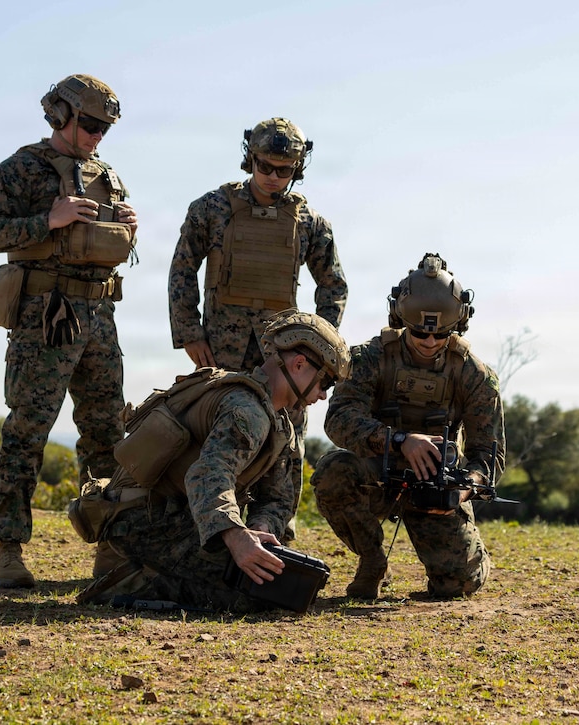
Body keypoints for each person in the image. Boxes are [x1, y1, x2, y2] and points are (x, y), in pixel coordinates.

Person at [0, 74, 139, 588]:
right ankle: (10, 550)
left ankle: (110, 547)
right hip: (45, 316)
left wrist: (127, 226)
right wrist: (49, 219)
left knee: (108, 434)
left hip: (99, 319)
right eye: (89, 124)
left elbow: (113, 244)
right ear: (60, 115)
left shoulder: (108, 176)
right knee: (28, 429)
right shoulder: (21, 168)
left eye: (104, 127)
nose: (97, 135)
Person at [75, 311, 350, 612]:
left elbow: (277, 498)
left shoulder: (278, 422)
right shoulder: (247, 411)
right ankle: (131, 579)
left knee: (275, 582)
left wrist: (259, 528)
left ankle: (141, 565)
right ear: (299, 365)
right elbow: (207, 474)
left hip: (180, 518)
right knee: (257, 596)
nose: (323, 396)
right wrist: (236, 537)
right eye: (325, 383)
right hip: (144, 520)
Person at [168, 117, 347, 540]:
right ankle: (207, 530)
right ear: (251, 159)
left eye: (284, 170)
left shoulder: (309, 222)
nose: (273, 177)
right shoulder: (211, 209)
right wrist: (189, 332)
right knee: (214, 435)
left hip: (285, 358)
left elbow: (333, 285)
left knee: (287, 442)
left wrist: (318, 347)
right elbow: (182, 268)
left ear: (297, 169)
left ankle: (275, 530)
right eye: (265, 166)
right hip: (219, 349)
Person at [311, 253, 505, 600]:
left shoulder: (474, 375)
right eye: (418, 333)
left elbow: (488, 456)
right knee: (332, 472)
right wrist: (398, 440)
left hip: (434, 489)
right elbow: (338, 418)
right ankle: (372, 559)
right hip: (376, 476)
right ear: (400, 318)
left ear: (458, 324)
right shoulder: (369, 358)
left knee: (459, 585)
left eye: (441, 334)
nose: (429, 342)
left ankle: (468, 556)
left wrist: (463, 489)